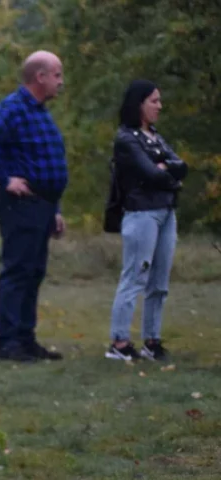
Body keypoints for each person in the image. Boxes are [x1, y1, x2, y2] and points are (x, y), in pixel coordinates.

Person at [0, 50, 69, 363]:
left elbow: (45, 162)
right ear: (39, 77)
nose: (60, 82)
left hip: (42, 205)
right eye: (57, 75)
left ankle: (26, 340)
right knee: (18, 271)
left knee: (34, 272)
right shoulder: (14, 107)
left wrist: (54, 209)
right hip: (21, 204)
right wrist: (4, 178)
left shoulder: (40, 112)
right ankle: (7, 342)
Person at [105, 81, 187, 362]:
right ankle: (119, 342)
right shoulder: (127, 139)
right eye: (154, 101)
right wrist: (164, 171)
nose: (159, 106)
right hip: (141, 214)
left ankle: (151, 341)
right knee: (135, 277)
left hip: (166, 212)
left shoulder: (155, 137)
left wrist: (166, 168)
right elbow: (152, 174)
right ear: (139, 103)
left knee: (159, 282)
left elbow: (180, 166)